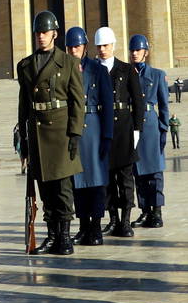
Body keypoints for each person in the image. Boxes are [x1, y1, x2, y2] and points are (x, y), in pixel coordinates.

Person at [18, 10, 86, 254]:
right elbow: (24, 104)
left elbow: (78, 101)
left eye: (45, 32)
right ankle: (52, 235)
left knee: (62, 190)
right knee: (45, 190)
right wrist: (23, 141)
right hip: (37, 134)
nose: (40, 37)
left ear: (55, 34)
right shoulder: (25, 65)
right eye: (37, 32)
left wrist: (75, 133)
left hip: (60, 133)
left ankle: (65, 237)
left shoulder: (68, 63)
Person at [94, 25, 145, 237]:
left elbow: (138, 102)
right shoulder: (94, 70)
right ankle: (113, 219)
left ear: (113, 45)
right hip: (103, 131)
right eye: (99, 46)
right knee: (106, 180)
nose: (102, 49)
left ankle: (125, 221)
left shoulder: (126, 69)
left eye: (105, 45)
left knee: (125, 179)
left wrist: (137, 129)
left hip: (124, 129)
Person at [65, 26, 113, 247]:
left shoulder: (97, 70)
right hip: (73, 130)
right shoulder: (63, 70)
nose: (74, 50)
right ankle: (83, 226)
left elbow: (108, 105)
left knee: (95, 182)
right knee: (78, 182)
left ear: (84, 46)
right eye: (70, 46)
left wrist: (107, 136)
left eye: (77, 46)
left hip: (93, 127)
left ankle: (95, 227)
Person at [130, 34, 170, 229]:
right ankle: (145, 210)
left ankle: (157, 211)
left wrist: (163, 128)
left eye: (138, 50)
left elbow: (164, 105)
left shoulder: (157, 75)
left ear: (145, 52)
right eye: (132, 50)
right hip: (134, 126)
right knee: (138, 172)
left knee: (154, 171)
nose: (134, 53)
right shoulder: (128, 73)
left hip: (151, 125)